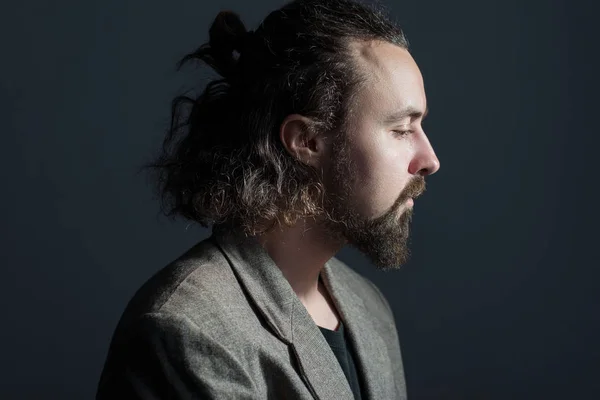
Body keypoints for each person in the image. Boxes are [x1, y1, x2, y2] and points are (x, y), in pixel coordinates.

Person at [96, 0, 440, 398]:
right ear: (307, 141)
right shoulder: (187, 327)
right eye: (401, 129)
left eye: (421, 127)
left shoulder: (368, 306)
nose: (429, 160)